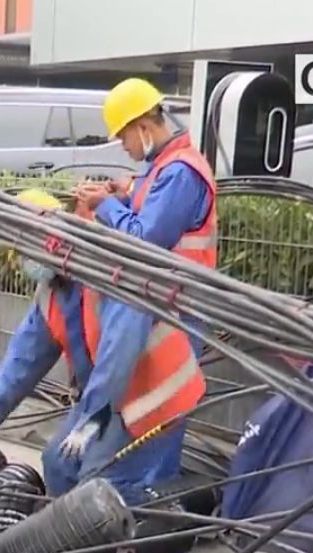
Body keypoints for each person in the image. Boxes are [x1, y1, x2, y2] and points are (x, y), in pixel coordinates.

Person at [0, 189, 206, 507]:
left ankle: (151, 531)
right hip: (113, 397)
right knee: (58, 463)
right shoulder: (53, 290)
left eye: (24, 247)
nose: (23, 260)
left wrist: (92, 421)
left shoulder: (108, 269)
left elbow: (119, 354)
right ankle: (71, 546)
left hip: (154, 395)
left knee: (101, 485)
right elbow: (25, 357)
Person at [75, 77, 217, 355]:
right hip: (164, 300)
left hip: (177, 306)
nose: (123, 145)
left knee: (173, 391)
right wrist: (123, 198)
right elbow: (151, 215)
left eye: (123, 136)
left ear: (143, 127)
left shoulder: (180, 172)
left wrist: (105, 205)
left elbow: (145, 239)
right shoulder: (164, 164)